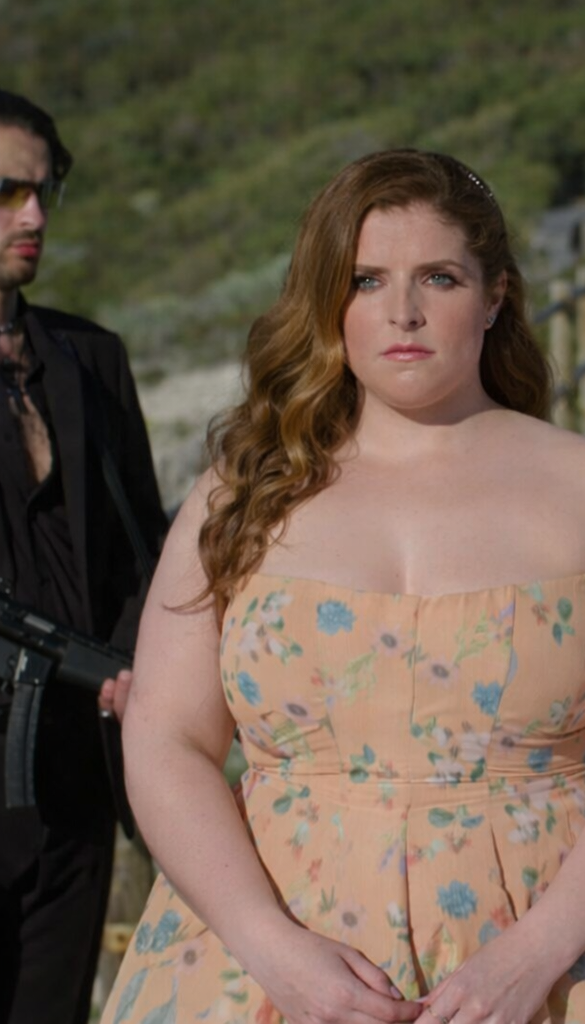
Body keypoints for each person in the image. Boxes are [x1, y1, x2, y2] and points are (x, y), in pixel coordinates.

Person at [98, 149, 585, 1024]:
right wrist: (271, 950)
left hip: (556, 969)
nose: (403, 312)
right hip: (259, 970)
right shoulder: (240, 494)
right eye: (366, 281)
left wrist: (537, 954)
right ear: (328, 300)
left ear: (495, 295)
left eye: (439, 277)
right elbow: (167, 738)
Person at [0, 90, 165, 1024]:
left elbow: (143, 552)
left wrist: (136, 675)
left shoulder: (90, 359)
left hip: (78, 777)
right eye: (5, 192)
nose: (33, 216)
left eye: (43, 191)